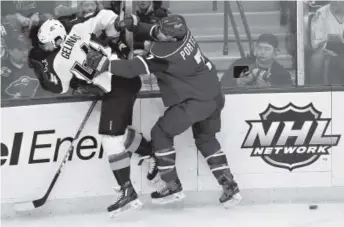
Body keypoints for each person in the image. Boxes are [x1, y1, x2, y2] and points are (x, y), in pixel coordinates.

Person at [90, 14, 242, 207]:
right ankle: (229, 185)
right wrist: (137, 25)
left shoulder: (167, 55)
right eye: (160, 28)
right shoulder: (184, 35)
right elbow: (155, 32)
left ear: (171, 38)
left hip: (195, 101)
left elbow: (130, 68)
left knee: (160, 133)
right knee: (206, 139)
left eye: (163, 32)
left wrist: (105, 65)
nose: (159, 32)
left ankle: (171, 184)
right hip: (214, 94)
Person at [29, 9, 158, 216]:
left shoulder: (58, 62)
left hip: (116, 86)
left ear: (55, 40)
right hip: (122, 78)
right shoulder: (78, 29)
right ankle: (152, 152)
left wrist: (44, 72)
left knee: (109, 138)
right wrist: (116, 23)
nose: (45, 48)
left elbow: (60, 88)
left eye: (46, 43)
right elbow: (103, 17)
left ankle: (128, 190)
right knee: (118, 135)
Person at [221, 34, 293, 88]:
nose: (262, 52)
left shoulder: (281, 73)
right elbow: (222, 85)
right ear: (255, 49)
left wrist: (268, 88)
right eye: (259, 48)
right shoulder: (243, 65)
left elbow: (284, 97)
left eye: (267, 49)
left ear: (276, 52)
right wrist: (239, 81)